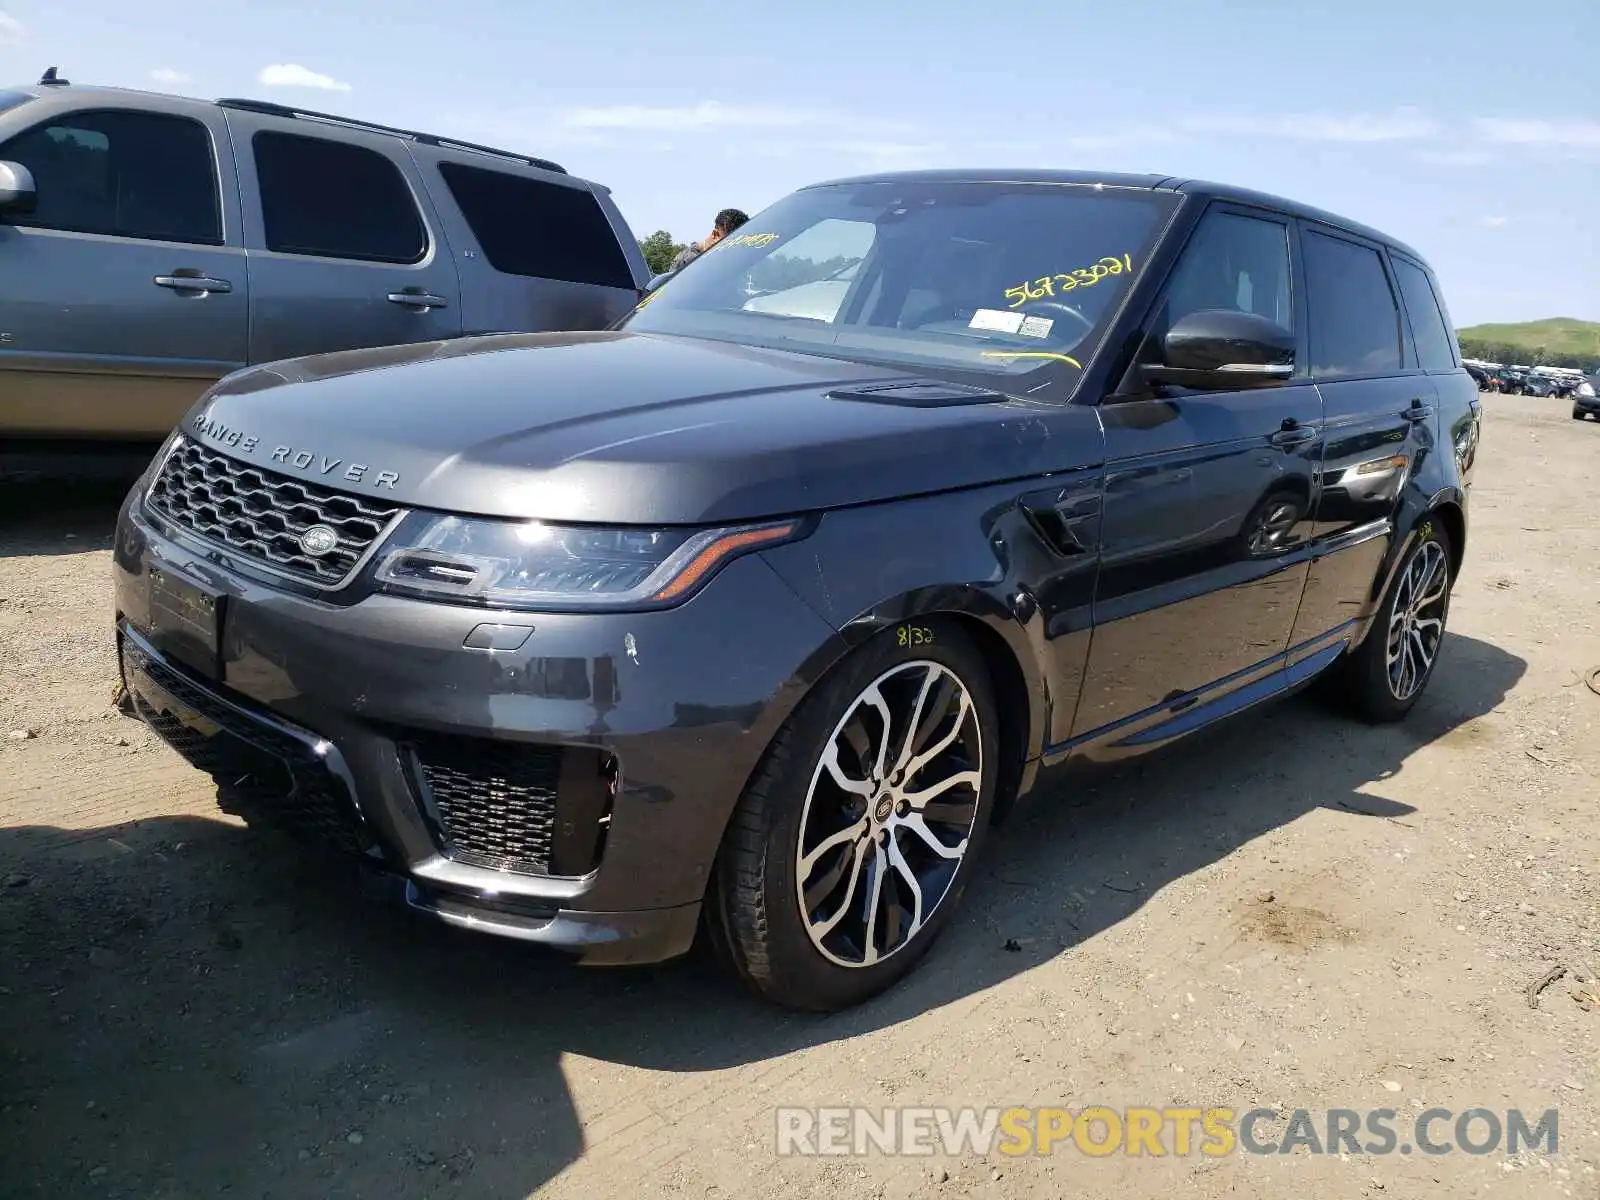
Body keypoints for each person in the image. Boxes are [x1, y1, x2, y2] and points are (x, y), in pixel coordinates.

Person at [669, 208, 750, 273]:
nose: (730, 250)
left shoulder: (715, 262)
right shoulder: (688, 261)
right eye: (727, 243)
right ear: (715, 234)